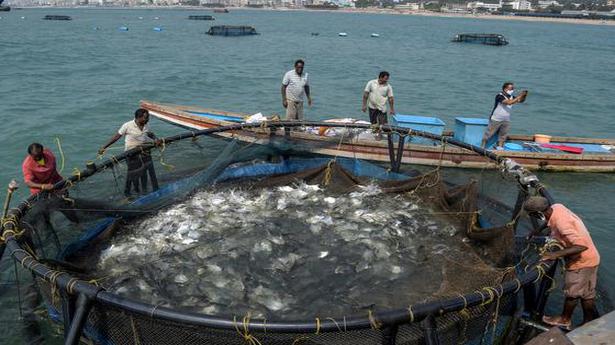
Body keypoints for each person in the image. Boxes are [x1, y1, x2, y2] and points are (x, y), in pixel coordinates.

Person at [524, 196, 600, 329]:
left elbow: (581, 246)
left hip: (581, 262)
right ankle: (590, 321)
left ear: (538, 213)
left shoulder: (561, 223)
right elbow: (548, 220)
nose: (533, 218)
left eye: (532, 215)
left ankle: (565, 319)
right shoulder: (557, 207)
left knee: (572, 293)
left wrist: (554, 254)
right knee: (587, 294)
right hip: (592, 258)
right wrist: (537, 230)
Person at [99, 109, 160, 197]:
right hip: (132, 154)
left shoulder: (146, 124)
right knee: (133, 173)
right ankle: (128, 192)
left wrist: (156, 139)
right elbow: (117, 137)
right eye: (145, 118)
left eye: (147, 118)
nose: (147, 120)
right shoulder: (127, 125)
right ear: (138, 118)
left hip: (144, 151)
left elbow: (149, 133)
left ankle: (145, 192)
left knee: (144, 172)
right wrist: (104, 147)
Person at [481, 82, 528, 149]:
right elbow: (508, 102)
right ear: (505, 89)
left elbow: (520, 101)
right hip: (496, 119)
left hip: (506, 119)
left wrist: (524, 96)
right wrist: (520, 95)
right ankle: (482, 147)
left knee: (503, 136)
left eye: (513, 88)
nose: (512, 90)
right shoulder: (499, 96)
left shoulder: (512, 97)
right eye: (511, 88)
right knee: (489, 134)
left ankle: (500, 148)